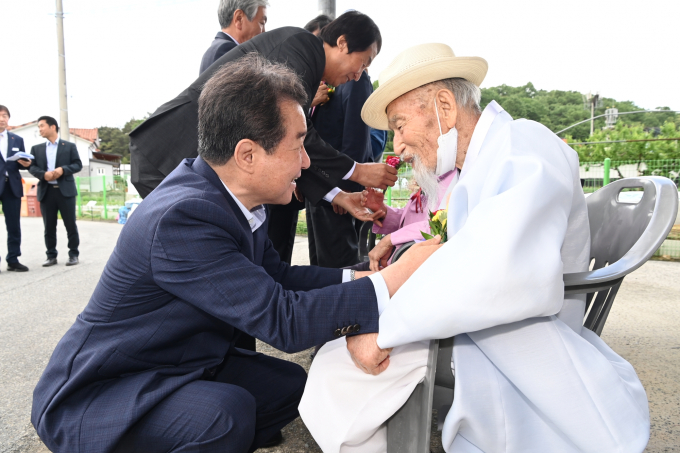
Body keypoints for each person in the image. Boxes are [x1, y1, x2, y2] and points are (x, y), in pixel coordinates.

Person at [32, 55, 441, 453]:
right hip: (104, 392)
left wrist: (368, 276)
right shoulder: (184, 217)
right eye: (298, 145)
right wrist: (394, 280)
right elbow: (283, 320)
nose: (306, 161)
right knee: (225, 416)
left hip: (179, 362)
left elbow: (277, 277)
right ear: (247, 154)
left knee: (287, 387)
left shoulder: (228, 197)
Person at [300, 43, 650, 453]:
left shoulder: (523, 147)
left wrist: (386, 331)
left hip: (516, 338)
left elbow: (495, 269)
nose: (398, 147)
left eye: (398, 125)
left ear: (443, 106)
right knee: (339, 356)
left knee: (336, 368)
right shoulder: (489, 159)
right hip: (483, 327)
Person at [129, 11, 397, 265]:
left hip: (185, 164)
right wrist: (357, 170)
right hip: (167, 154)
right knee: (198, 259)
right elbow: (294, 138)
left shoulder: (307, 59)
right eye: (364, 61)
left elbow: (291, 148)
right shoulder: (300, 48)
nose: (360, 73)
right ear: (342, 43)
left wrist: (337, 195)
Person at [305, 69, 375, 268]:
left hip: (337, 191)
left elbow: (356, 139)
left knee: (339, 263)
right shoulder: (320, 83)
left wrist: (343, 189)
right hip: (318, 187)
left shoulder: (354, 80)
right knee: (319, 262)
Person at [362, 161, 458, 272]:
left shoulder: (456, 178)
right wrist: (383, 211)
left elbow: (440, 224)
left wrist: (389, 240)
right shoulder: (429, 174)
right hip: (395, 263)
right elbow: (409, 220)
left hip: (414, 269)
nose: (398, 151)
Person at [28, 116, 82, 267]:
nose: (40, 129)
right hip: (47, 191)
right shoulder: (36, 149)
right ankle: (51, 255)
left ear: (53, 127)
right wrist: (42, 174)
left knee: (70, 225)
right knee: (49, 226)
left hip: (66, 191)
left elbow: (77, 164)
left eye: (42, 126)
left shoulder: (69, 146)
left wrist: (63, 169)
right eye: (38, 127)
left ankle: (73, 254)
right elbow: (31, 167)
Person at [199, 0, 268, 75]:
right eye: (262, 23)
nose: (264, 31)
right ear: (239, 18)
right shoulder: (226, 51)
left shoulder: (217, 48)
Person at [0, 105, 30, 272]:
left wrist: (26, 163)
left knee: (13, 224)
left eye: (5, 115)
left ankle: (13, 258)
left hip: (12, 185)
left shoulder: (16, 139)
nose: (2, 118)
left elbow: (23, 163)